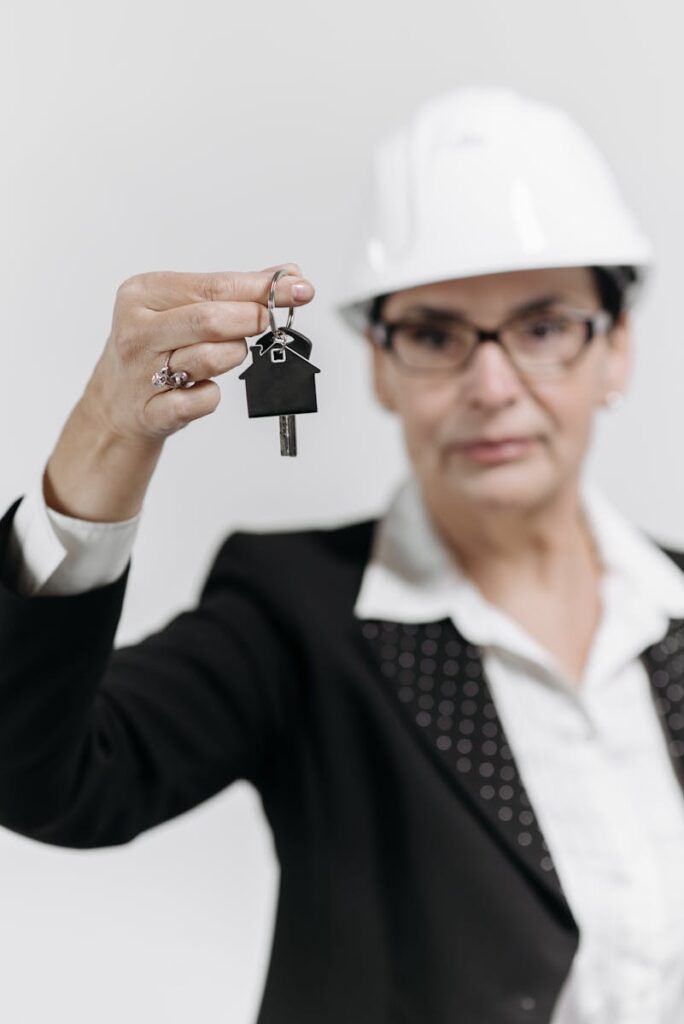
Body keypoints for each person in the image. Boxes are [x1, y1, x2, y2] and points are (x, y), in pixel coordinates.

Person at [1, 85, 683, 1023]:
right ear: (380, 363)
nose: (492, 385)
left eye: (542, 327)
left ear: (616, 351)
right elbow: (44, 779)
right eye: (437, 334)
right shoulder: (295, 613)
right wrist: (104, 438)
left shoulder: (676, 604)